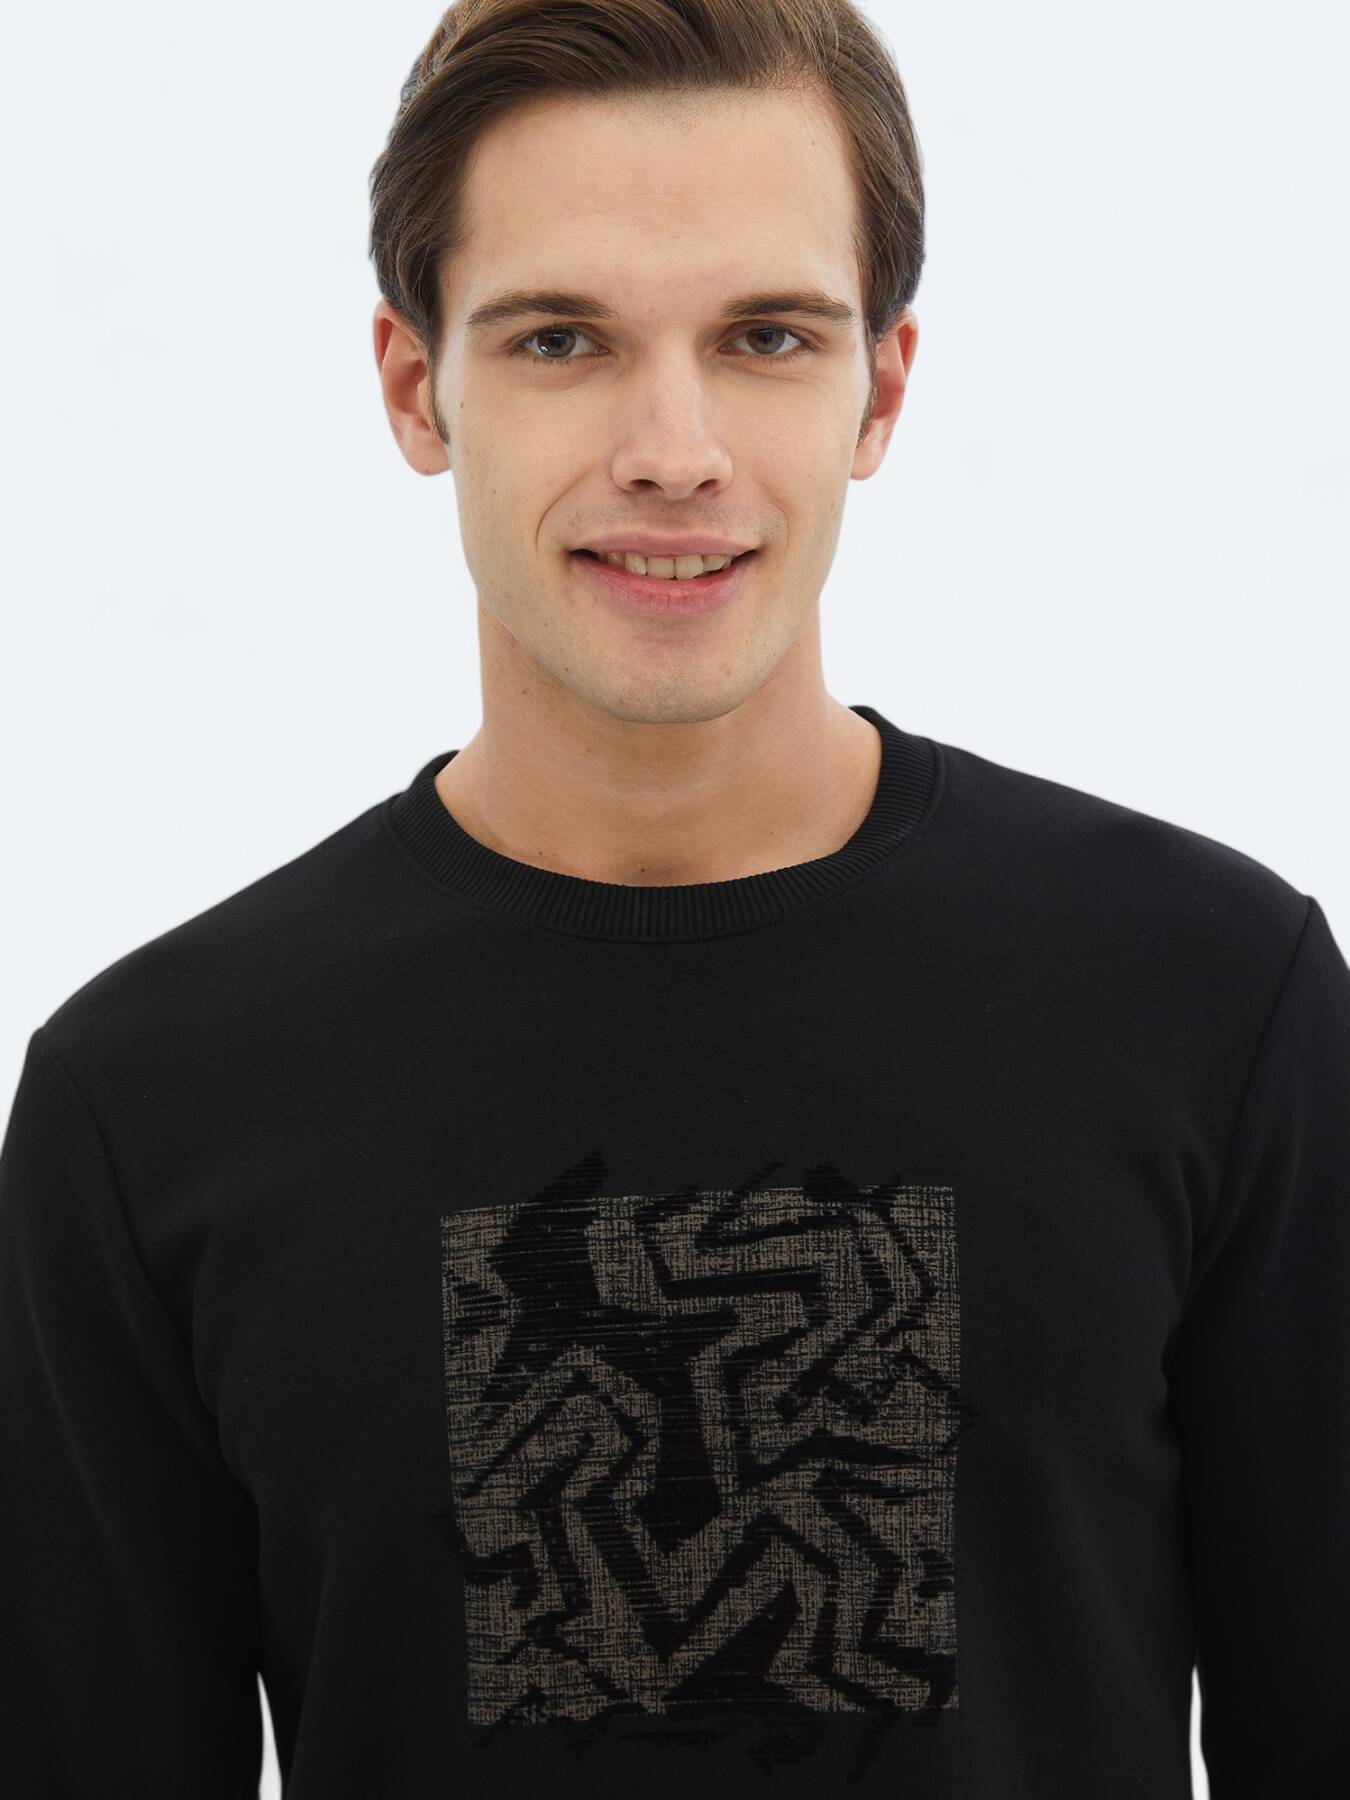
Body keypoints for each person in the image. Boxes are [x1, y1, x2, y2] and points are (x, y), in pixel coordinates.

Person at [2, 2, 1346, 1795]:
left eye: (765, 336)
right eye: (560, 338)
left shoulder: (1212, 996)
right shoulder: (148, 1099)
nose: (674, 447)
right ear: (415, 386)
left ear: (880, 389)